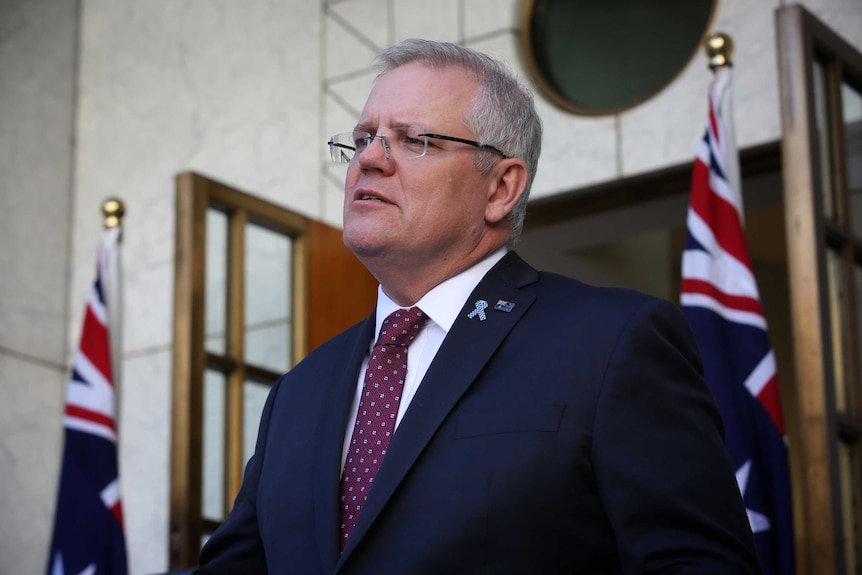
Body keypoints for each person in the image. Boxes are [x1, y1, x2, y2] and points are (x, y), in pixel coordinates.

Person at [196, 39, 762, 574]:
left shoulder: (613, 342)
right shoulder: (299, 392)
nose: (369, 159)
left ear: (500, 189)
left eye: (414, 139)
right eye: (364, 137)